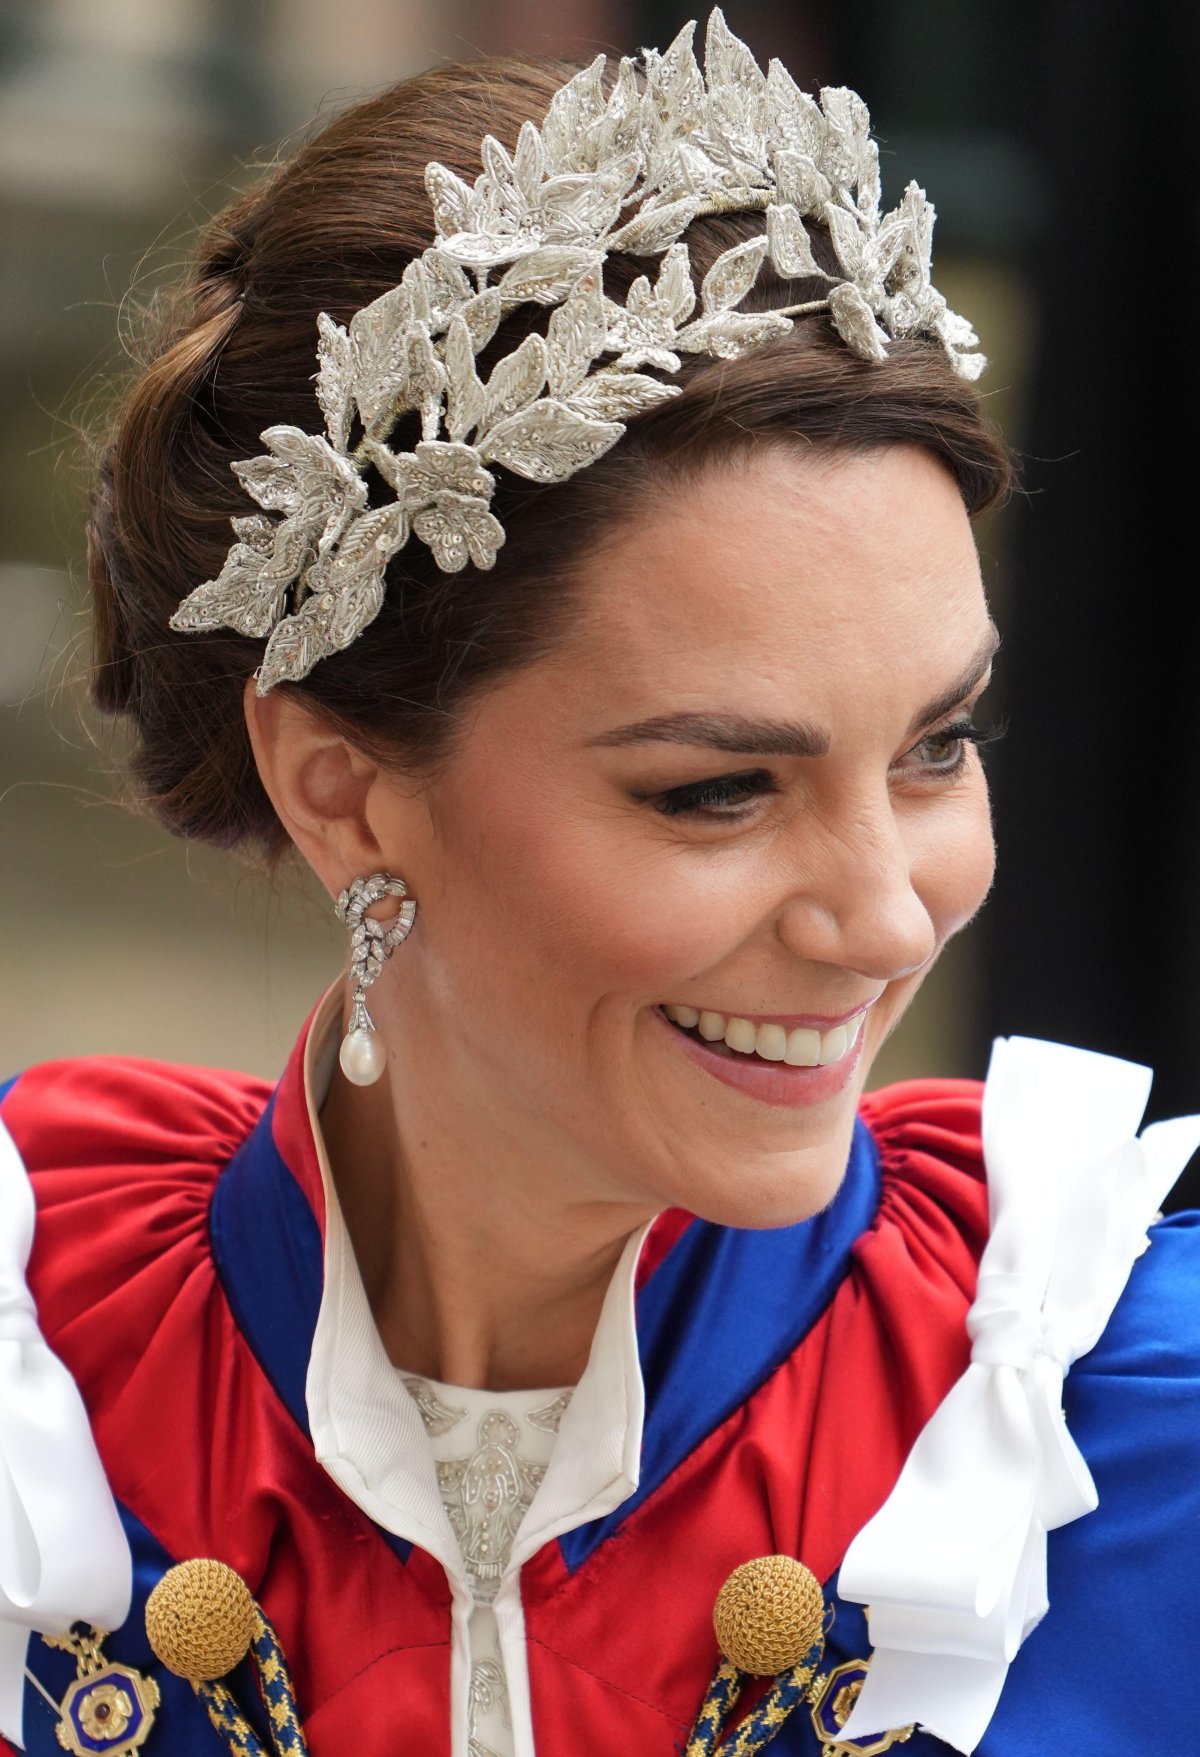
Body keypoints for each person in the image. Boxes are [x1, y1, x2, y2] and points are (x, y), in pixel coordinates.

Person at [2, 14, 1198, 1757]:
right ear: (339, 788)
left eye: (939, 744)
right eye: (719, 788)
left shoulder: (1125, 1425)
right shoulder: (39, 1382)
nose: (884, 917)